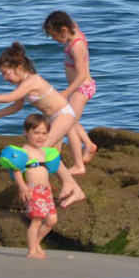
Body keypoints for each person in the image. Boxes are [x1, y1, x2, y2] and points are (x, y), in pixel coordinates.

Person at [0, 43, 85, 206]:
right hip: (52, 118)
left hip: (63, 115)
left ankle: (69, 184)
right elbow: (16, 105)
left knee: (41, 150)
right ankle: (75, 190)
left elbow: (9, 97)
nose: (4, 77)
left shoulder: (32, 81)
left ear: (19, 67)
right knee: (51, 156)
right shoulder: (23, 84)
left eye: (6, 73)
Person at [42, 10, 98, 176]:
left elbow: (81, 75)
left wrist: (66, 93)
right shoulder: (74, 30)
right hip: (78, 88)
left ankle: (79, 165)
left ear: (64, 30)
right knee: (70, 121)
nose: (54, 40)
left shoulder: (76, 46)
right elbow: (71, 21)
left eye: (54, 36)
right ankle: (89, 145)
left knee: (68, 124)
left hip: (81, 88)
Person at [1, 113, 63, 258]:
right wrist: (22, 187)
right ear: (26, 132)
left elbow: (43, 171)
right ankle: (31, 251)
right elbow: (17, 171)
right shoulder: (25, 152)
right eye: (36, 133)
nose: (40, 136)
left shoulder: (42, 152)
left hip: (45, 190)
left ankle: (36, 242)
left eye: (44, 133)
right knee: (37, 220)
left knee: (52, 219)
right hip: (32, 189)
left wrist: (49, 184)